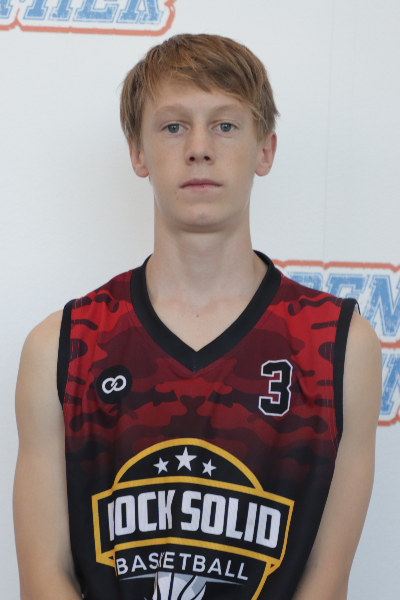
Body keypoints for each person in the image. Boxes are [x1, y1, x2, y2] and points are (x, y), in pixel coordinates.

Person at [14, 34, 382, 600]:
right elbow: (45, 576)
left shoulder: (339, 347)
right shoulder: (61, 348)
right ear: (138, 152)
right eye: (173, 126)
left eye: (225, 125)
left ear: (266, 150)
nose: (200, 148)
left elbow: (326, 579)